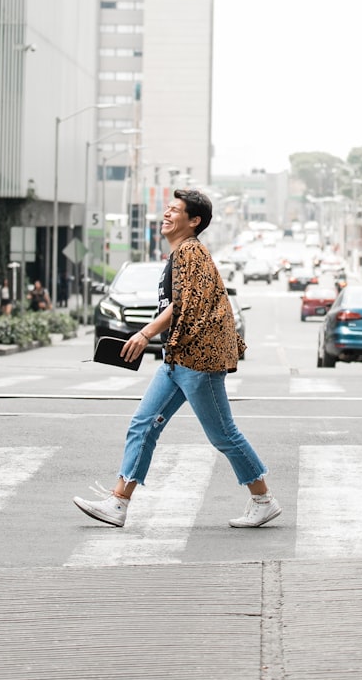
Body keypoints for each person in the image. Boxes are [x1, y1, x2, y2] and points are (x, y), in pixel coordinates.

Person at [73, 188, 282, 530]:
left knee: (223, 435)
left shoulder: (191, 252)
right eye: (166, 209)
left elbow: (183, 304)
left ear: (194, 220)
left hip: (198, 361)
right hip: (177, 359)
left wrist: (144, 333)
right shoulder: (180, 254)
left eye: (175, 210)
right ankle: (118, 502)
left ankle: (263, 500)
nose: (166, 215)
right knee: (143, 424)